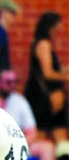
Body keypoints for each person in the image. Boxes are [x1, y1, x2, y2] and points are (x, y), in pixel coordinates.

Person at [0, 69, 53, 160]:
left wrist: (18, 143)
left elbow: (32, 132)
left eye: (15, 82)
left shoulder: (19, 101)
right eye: (8, 82)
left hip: (18, 144)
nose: (12, 85)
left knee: (47, 148)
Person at [23, 11, 69, 143]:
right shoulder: (44, 44)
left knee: (57, 133)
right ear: (50, 27)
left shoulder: (41, 43)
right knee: (44, 134)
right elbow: (48, 73)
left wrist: (63, 70)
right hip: (44, 99)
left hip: (45, 98)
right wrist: (66, 77)